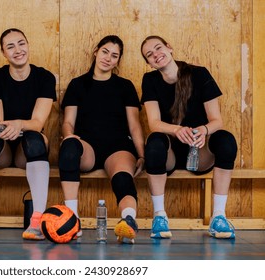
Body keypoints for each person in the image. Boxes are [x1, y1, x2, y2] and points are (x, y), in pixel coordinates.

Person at [140, 35, 237, 239]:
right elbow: (154, 123)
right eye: (150, 54)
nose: (156, 55)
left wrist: (203, 130)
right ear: (148, 63)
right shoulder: (150, 80)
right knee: (154, 142)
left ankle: (219, 216)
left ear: (169, 47)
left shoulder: (199, 74)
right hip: (170, 153)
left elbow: (216, 121)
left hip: (199, 149)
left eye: (158, 48)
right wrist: (176, 130)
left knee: (226, 141)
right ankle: (159, 216)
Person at [0, 28, 56, 240]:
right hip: (4, 146)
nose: (17, 50)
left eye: (21, 43)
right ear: (3, 53)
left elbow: (37, 122)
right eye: (10, 46)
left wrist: (19, 124)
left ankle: (37, 220)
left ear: (28, 45)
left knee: (34, 140)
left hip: (29, 147)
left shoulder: (44, 77)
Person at [59, 35, 145, 244]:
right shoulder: (78, 84)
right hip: (87, 146)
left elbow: (134, 125)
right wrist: (69, 137)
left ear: (118, 61)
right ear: (96, 51)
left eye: (114, 56)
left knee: (123, 177)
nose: (108, 58)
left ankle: (128, 222)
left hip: (117, 147)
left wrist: (142, 154)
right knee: (69, 146)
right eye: (105, 52)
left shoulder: (125, 86)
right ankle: (73, 219)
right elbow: (68, 122)